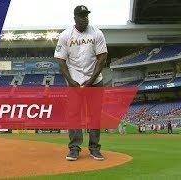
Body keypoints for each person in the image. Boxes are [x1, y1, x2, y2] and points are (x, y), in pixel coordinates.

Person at [54, 5, 108, 161]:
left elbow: (102, 58)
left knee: (95, 115)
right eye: (82, 16)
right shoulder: (65, 35)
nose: (85, 18)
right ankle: (74, 148)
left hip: (95, 81)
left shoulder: (97, 33)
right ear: (75, 18)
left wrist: (91, 81)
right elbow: (61, 61)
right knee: (74, 115)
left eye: (86, 15)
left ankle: (94, 148)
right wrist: (71, 82)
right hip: (74, 82)